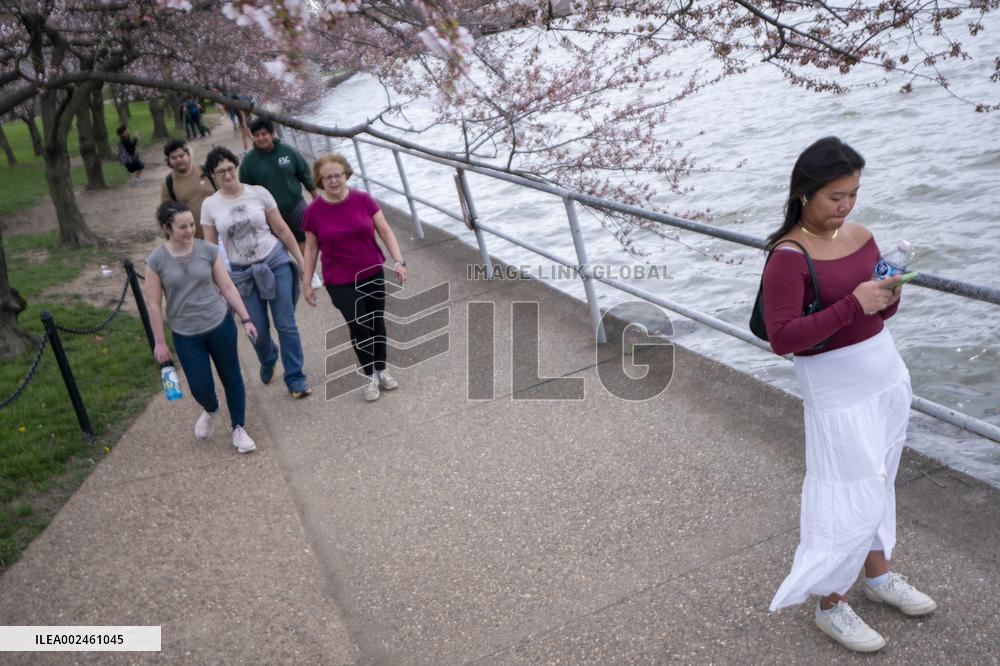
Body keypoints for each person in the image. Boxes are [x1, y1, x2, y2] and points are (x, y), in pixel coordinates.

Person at [763, 137, 935, 652]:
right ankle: (829, 602)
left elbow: (877, 314)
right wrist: (854, 305)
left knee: (878, 483)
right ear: (804, 193)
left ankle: (878, 575)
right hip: (836, 390)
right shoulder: (787, 256)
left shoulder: (861, 237)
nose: (846, 206)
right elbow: (783, 338)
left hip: (885, 377)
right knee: (845, 493)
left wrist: (887, 297)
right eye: (835, 196)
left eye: (853, 193)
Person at [144, 201, 258, 454]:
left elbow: (227, 287)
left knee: (232, 377)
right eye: (182, 226)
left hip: (219, 324)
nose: (189, 230)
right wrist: (160, 342)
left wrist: (246, 318)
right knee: (200, 386)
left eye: (192, 224)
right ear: (167, 228)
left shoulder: (208, 250)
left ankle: (239, 428)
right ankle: (210, 408)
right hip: (186, 334)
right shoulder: (155, 261)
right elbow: (153, 305)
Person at [200, 146, 312, 398]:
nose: (227, 175)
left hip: (275, 262)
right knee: (257, 330)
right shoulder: (210, 206)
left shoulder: (258, 193)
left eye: (230, 169)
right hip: (242, 273)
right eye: (221, 172)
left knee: (286, 323)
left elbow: (282, 230)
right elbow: (210, 248)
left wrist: (302, 262)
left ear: (236, 167)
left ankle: (295, 377)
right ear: (213, 175)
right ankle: (268, 356)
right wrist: (216, 282)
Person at [301, 153, 407, 402]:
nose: (334, 181)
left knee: (376, 321)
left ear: (346, 174)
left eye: (338, 175)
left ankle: (382, 369)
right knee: (359, 323)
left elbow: (385, 230)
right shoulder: (314, 211)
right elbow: (311, 248)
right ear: (320, 181)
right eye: (328, 178)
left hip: (371, 270)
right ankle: (369, 375)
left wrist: (399, 261)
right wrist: (307, 282)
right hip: (339, 279)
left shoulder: (363, 200)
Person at [239, 118, 315, 244]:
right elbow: (245, 191)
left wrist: (316, 198)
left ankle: (305, 263)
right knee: (278, 247)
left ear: (272, 133)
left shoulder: (288, 151)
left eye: (264, 134)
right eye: (257, 135)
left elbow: (305, 174)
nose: (261, 138)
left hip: (295, 205)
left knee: (306, 241)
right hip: (268, 213)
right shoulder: (248, 162)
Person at [159, 139, 216, 239]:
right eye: (174, 157)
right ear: (169, 161)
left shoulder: (206, 171)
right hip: (194, 240)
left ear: (188, 155)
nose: (178, 160)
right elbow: (166, 216)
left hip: (220, 233)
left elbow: (226, 194)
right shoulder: (168, 184)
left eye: (181, 155)